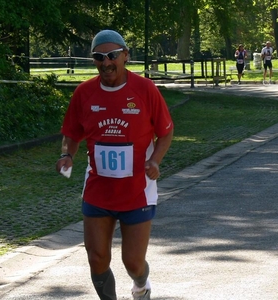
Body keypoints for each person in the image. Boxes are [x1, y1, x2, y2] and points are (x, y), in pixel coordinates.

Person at [55, 29, 174, 300]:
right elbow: (71, 133)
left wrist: (155, 160)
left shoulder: (145, 89)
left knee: (133, 262)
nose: (106, 62)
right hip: (98, 190)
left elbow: (166, 131)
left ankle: (141, 285)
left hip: (137, 191)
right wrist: (67, 155)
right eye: (99, 57)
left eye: (112, 56)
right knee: (96, 258)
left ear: (125, 56)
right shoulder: (84, 93)